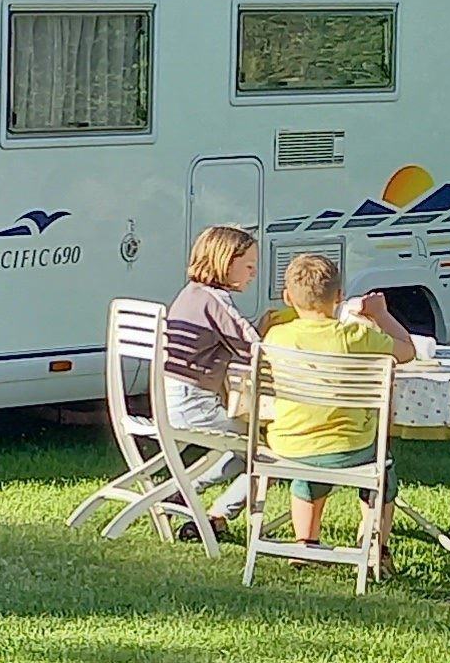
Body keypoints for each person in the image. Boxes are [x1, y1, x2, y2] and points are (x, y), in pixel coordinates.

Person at [260, 251, 416, 553]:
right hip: (350, 445)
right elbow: (407, 350)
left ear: (287, 297)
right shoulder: (356, 335)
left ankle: (305, 542)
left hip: (288, 444)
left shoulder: (276, 337)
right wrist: (380, 315)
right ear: (340, 296)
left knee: (311, 459)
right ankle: (374, 545)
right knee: (382, 464)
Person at [162, 223, 262, 433]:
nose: (254, 274)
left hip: (168, 401)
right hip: (194, 408)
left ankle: (215, 468)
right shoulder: (216, 300)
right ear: (226, 263)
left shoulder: (190, 293)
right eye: (249, 267)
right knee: (259, 439)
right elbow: (253, 349)